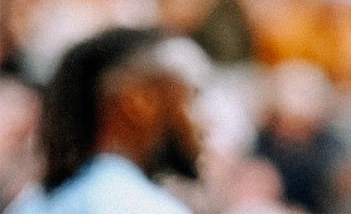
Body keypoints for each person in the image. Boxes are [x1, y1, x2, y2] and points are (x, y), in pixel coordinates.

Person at [8, 28, 208, 214]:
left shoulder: (29, 206)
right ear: (140, 102)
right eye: (188, 100)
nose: (203, 122)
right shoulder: (143, 207)